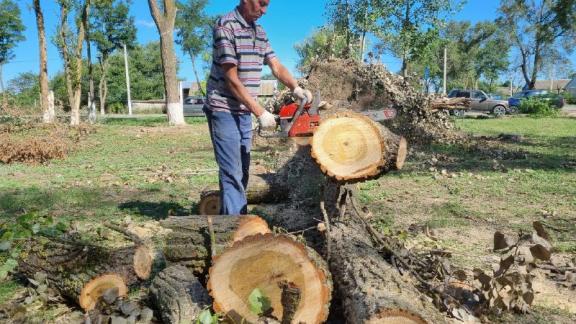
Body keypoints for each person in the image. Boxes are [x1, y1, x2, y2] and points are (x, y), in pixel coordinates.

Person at [204, 0, 312, 215]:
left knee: (241, 171)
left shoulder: (259, 32)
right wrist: (260, 111)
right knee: (231, 171)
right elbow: (231, 78)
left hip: (244, 111)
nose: (264, 11)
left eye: (267, 6)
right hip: (223, 108)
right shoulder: (226, 26)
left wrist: (296, 88)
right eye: (261, 4)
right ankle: (236, 229)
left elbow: (276, 66)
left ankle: (228, 220)